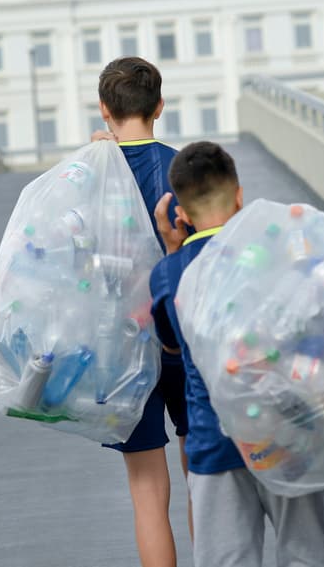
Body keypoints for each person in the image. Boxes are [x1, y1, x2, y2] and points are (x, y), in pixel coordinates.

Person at [150, 141, 324, 567]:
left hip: (215, 442)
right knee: (307, 556)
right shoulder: (280, 254)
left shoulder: (172, 273)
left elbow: (172, 344)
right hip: (290, 432)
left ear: (180, 211)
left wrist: (173, 252)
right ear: (239, 195)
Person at [90, 56, 191, 567]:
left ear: (104, 109)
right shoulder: (183, 170)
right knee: (206, 482)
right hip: (185, 340)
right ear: (159, 107)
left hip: (124, 354)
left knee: (148, 495)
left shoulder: (87, 176)